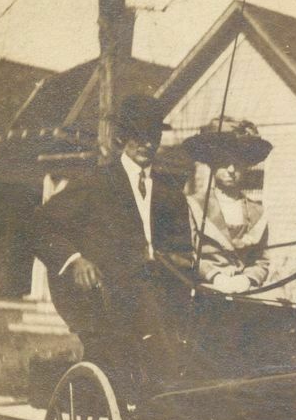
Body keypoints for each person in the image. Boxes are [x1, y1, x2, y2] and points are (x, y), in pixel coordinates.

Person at [34, 94, 192, 390]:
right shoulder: (97, 182)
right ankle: (167, 386)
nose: (146, 143)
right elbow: (40, 225)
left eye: (153, 135)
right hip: (108, 292)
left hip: (161, 289)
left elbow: (183, 249)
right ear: (122, 137)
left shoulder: (170, 194)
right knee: (150, 320)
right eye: (138, 134)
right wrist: (75, 260)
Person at [184, 117, 274, 294]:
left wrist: (247, 279)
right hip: (205, 287)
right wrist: (214, 276)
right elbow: (187, 253)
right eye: (224, 163)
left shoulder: (257, 211)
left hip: (244, 290)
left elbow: (261, 260)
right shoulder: (195, 205)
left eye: (238, 164)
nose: (231, 170)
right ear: (212, 164)